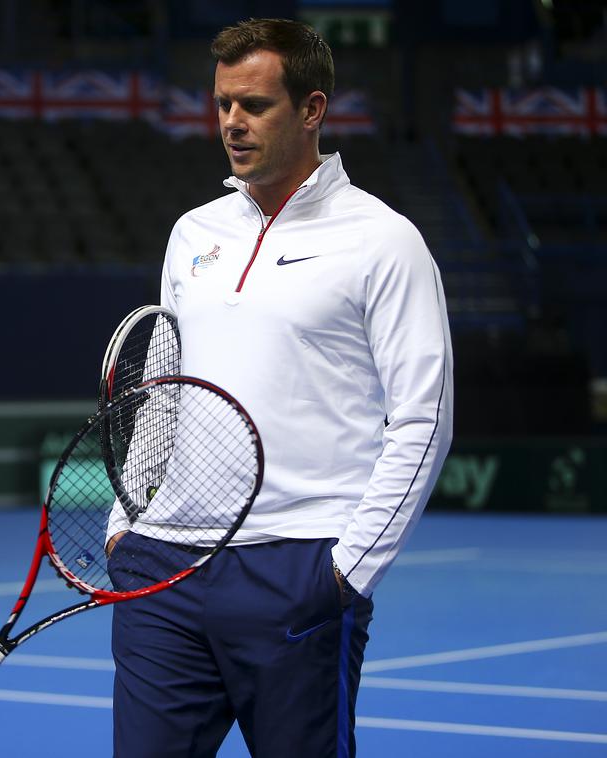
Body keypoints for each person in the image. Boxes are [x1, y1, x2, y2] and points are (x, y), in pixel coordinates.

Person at [105, 18, 454, 757]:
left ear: (312, 109)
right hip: (163, 567)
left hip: (296, 567)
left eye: (254, 105)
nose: (232, 122)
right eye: (223, 103)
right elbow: (163, 388)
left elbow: (423, 418)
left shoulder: (384, 241)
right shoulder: (192, 232)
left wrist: (345, 572)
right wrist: (124, 524)